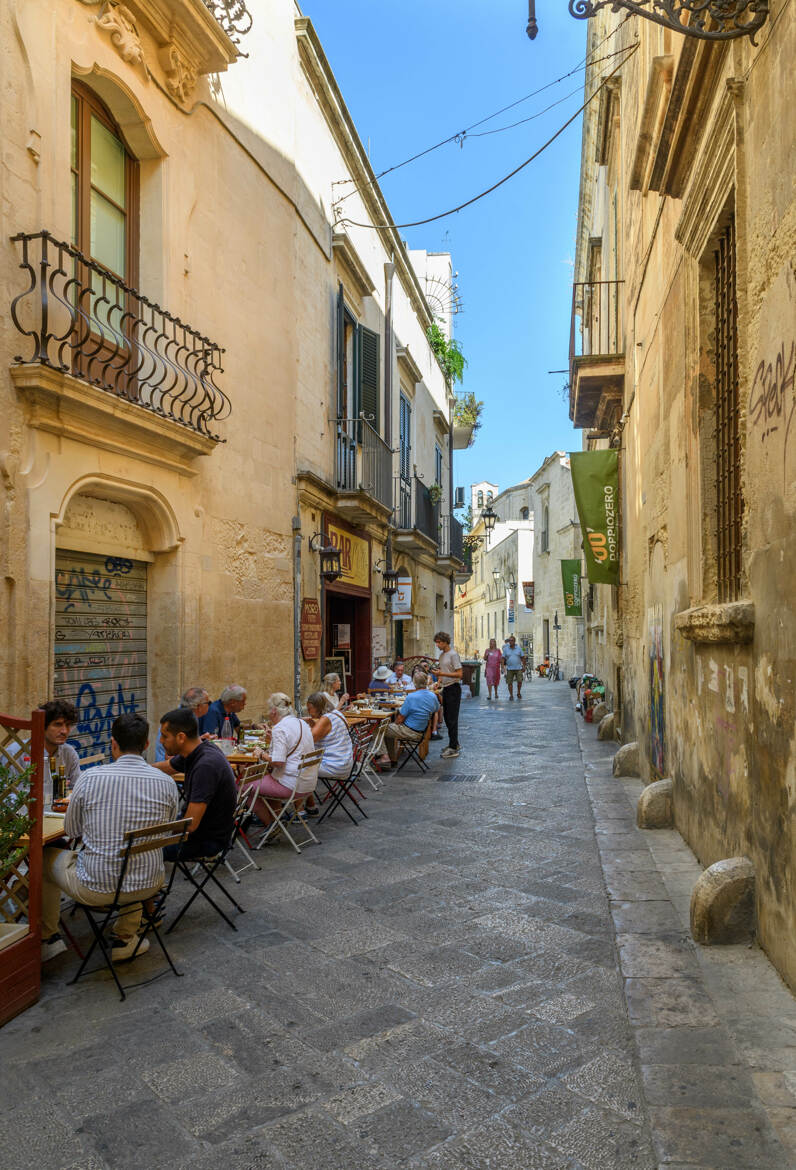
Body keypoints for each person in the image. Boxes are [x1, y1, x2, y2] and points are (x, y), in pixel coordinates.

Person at [40, 713, 179, 963]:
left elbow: (72, 831)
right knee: (134, 854)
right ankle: (124, 937)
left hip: (96, 888)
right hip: (150, 884)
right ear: (147, 745)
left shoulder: (91, 778)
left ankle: (47, 937)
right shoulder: (167, 783)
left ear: (113, 743)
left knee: (42, 858)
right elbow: (166, 832)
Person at [158, 707, 237, 861]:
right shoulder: (199, 750)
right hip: (205, 832)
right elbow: (166, 767)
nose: (161, 741)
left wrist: (156, 829)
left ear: (181, 737)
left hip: (205, 841)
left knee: (139, 850)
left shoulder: (205, 766)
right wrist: (133, 769)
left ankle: (154, 884)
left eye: (164, 736)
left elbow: (191, 825)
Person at [246, 693, 316, 828]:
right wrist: (273, 740)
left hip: (291, 784)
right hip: (307, 782)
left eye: (268, 709)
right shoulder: (301, 722)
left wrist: (261, 754)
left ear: (274, 711)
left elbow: (278, 762)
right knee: (267, 779)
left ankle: (271, 825)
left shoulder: (280, 728)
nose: (268, 713)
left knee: (244, 787)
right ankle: (276, 819)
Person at [379, 671, 440, 766]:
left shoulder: (411, 697)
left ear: (414, 683)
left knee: (379, 729)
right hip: (422, 730)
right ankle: (391, 759)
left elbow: (400, 719)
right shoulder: (432, 696)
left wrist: (395, 724)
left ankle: (384, 757)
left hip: (409, 731)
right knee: (389, 731)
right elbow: (436, 709)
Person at [306, 691, 353, 800]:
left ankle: (307, 807)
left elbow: (308, 741)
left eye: (310, 709)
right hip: (345, 761)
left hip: (335, 766)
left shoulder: (325, 719)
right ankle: (309, 805)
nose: (308, 712)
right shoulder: (337, 713)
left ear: (318, 707)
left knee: (296, 768)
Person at [38, 699, 82, 799]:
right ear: (43, 726)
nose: (64, 731)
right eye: (58, 724)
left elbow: (77, 790)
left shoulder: (69, 753)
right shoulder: (17, 753)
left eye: (68, 725)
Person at [155, 686, 210, 762]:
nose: (210, 705)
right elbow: (171, 756)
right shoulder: (179, 720)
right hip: (167, 766)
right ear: (199, 706)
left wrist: (200, 739)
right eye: (208, 703)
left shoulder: (189, 716)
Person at [434, 630, 463, 759]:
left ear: (445, 642)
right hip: (445, 688)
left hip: (453, 688)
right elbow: (443, 670)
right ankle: (454, 743)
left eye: (439, 642)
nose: (437, 645)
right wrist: (439, 681)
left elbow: (459, 674)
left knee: (452, 719)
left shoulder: (453, 655)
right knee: (446, 717)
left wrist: (442, 675)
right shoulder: (442, 655)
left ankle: (453, 748)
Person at [502, 635, 527, 700]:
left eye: (512, 640)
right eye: (509, 640)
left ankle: (518, 692)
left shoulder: (519, 648)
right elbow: (503, 658)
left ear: (514, 641)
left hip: (518, 668)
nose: (510, 642)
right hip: (509, 668)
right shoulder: (505, 649)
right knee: (509, 682)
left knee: (519, 681)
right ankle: (511, 695)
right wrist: (502, 667)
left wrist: (524, 666)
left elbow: (523, 658)